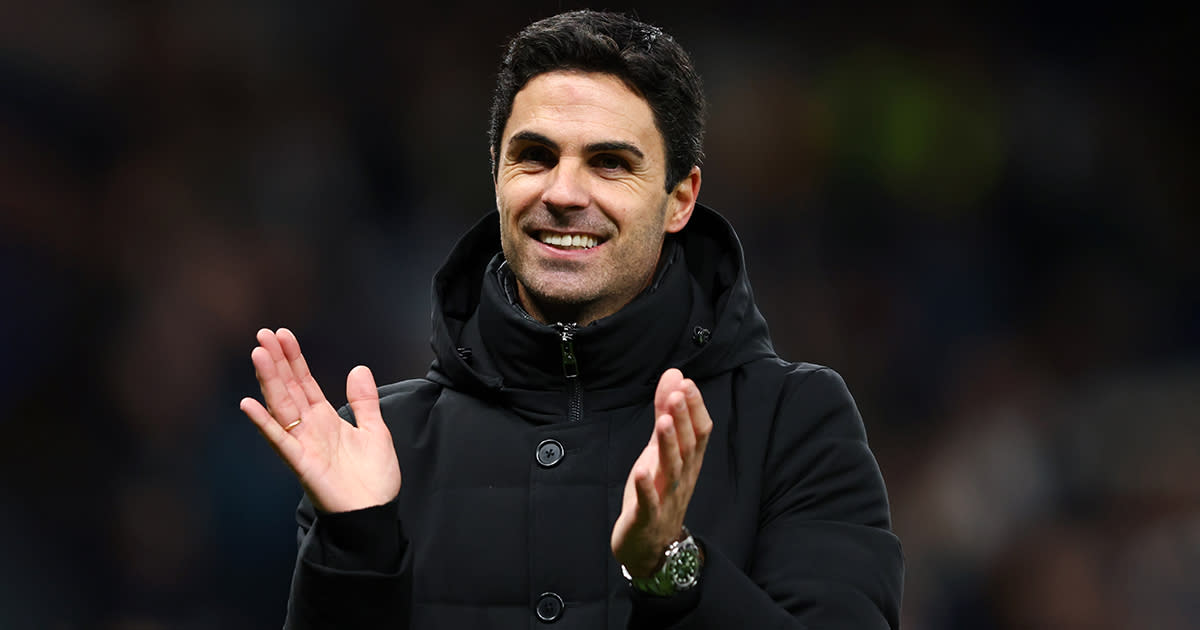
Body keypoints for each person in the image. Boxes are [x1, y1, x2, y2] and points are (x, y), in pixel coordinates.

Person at [240, 9, 903, 629]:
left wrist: (672, 570)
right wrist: (356, 547)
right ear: (497, 174)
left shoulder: (794, 421)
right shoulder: (384, 446)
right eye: (535, 156)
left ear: (680, 199)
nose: (562, 193)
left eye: (609, 163)